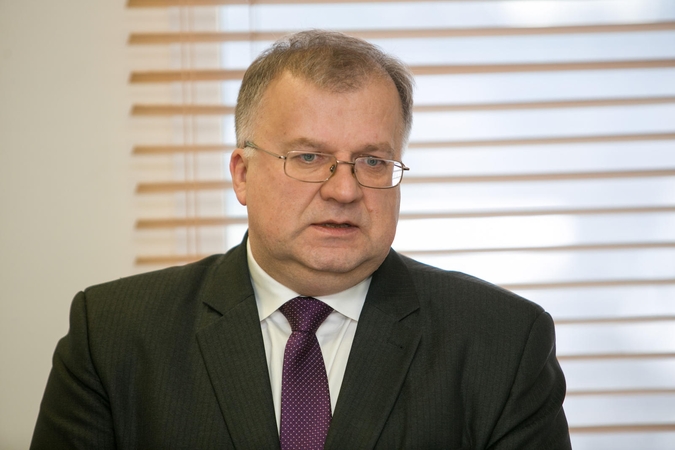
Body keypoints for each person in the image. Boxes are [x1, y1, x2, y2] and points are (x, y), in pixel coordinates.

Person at [31, 30, 571, 449]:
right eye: (309, 157)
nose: (344, 189)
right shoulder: (113, 336)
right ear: (242, 174)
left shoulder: (503, 342)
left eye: (372, 161)